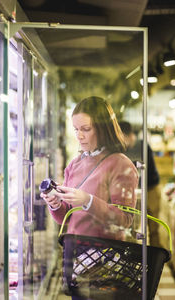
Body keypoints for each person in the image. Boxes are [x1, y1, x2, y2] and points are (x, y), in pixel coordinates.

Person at [41, 97, 139, 299]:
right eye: (76, 129)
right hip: (76, 260)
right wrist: (56, 204)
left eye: (85, 129)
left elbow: (125, 220)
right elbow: (67, 219)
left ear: (103, 129)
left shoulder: (121, 164)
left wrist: (88, 201)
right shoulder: (75, 164)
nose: (79, 136)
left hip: (108, 262)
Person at [119, 121, 162, 248]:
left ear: (128, 135)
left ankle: (156, 257)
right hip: (133, 192)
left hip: (151, 189)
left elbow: (146, 171)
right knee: (133, 227)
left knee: (154, 226)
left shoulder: (143, 146)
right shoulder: (122, 149)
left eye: (121, 137)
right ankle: (134, 257)